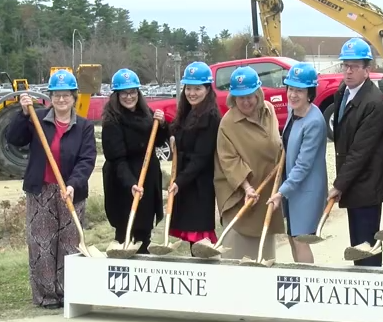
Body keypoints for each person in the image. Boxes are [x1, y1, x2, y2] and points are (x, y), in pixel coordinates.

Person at [6, 69, 97, 309]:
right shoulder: (37, 119)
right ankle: (46, 297)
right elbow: (14, 139)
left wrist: (73, 184)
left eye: (66, 95)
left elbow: (87, 160)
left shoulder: (84, 127)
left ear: (74, 97)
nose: (61, 100)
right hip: (41, 190)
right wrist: (23, 115)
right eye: (56, 95)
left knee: (70, 244)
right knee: (42, 243)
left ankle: (70, 293)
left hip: (71, 191)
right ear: (51, 97)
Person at [328, 37, 383, 267]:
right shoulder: (344, 91)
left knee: (367, 248)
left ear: (367, 69)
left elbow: (360, 151)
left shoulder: (373, 103)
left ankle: (374, 289)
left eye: (354, 66)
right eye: (345, 65)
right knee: (357, 246)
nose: (348, 71)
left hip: (367, 185)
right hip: (354, 183)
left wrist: (339, 184)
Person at [214, 66, 285, 261]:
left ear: (258, 94)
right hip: (241, 195)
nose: (245, 101)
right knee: (237, 254)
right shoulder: (228, 123)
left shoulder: (269, 111)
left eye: (250, 96)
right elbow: (228, 160)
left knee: (264, 251)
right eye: (240, 97)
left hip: (267, 190)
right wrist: (246, 188)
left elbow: (276, 143)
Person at [101, 68, 168, 254]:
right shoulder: (111, 122)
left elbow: (159, 141)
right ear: (116, 95)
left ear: (138, 93)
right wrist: (130, 184)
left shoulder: (147, 113)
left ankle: (143, 258)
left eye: (132, 92)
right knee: (126, 229)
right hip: (123, 181)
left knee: (144, 228)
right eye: (124, 93)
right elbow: (117, 159)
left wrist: (162, 125)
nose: (129, 97)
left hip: (147, 177)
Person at [266, 62, 327, 263]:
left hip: (306, 190)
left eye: (299, 91)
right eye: (290, 89)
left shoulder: (315, 121)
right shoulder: (294, 113)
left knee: (301, 239)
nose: (293, 95)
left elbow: (303, 165)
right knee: (292, 237)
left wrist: (282, 192)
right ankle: (298, 279)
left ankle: (307, 283)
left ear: (309, 92)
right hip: (292, 187)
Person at [167, 62, 221, 256]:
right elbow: (176, 132)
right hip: (186, 183)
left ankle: (207, 279)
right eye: (188, 88)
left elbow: (201, 158)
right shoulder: (187, 111)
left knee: (200, 239)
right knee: (192, 240)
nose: (192, 93)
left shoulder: (211, 117)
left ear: (207, 89)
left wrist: (179, 182)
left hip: (199, 186)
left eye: (197, 88)